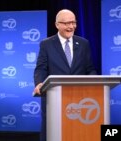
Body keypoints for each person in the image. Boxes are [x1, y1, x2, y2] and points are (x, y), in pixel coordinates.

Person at [33, 9, 97, 141]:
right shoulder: (46, 44)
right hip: (54, 98)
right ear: (57, 24)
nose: (71, 26)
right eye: (67, 23)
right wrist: (39, 83)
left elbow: (89, 68)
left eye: (73, 22)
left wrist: (94, 82)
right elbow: (41, 68)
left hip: (79, 99)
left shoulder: (84, 43)